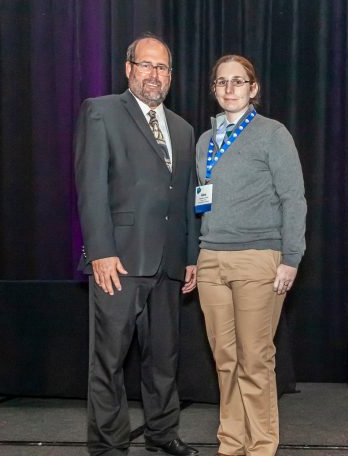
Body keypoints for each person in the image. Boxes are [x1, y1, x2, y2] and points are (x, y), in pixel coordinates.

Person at [74, 33, 200, 456]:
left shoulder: (183, 129)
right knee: (108, 361)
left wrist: (191, 257)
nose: (154, 74)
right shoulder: (101, 112)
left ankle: (162, 434)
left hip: (168, 265)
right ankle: (109, 445)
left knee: (164, 359)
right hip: (118, 262)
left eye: (162, 67)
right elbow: (90, 188)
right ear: (129, 69)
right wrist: (100, 251)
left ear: (171, 76)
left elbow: (185, 199)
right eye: (145, 65)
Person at [194, 55, 306, 456]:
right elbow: (201, 205)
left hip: (259, 259)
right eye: (221, 82)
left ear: (253, 88)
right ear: (214, 89)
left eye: (238, 82)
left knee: (255, 360)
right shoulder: (205, 141)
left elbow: (293, 199)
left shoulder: (273, 134)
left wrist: (291, 258)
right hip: (211, 261)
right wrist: (196, 257)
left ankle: (261, 446)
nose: (229, 89)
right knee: (225, 360)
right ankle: (231, 442)